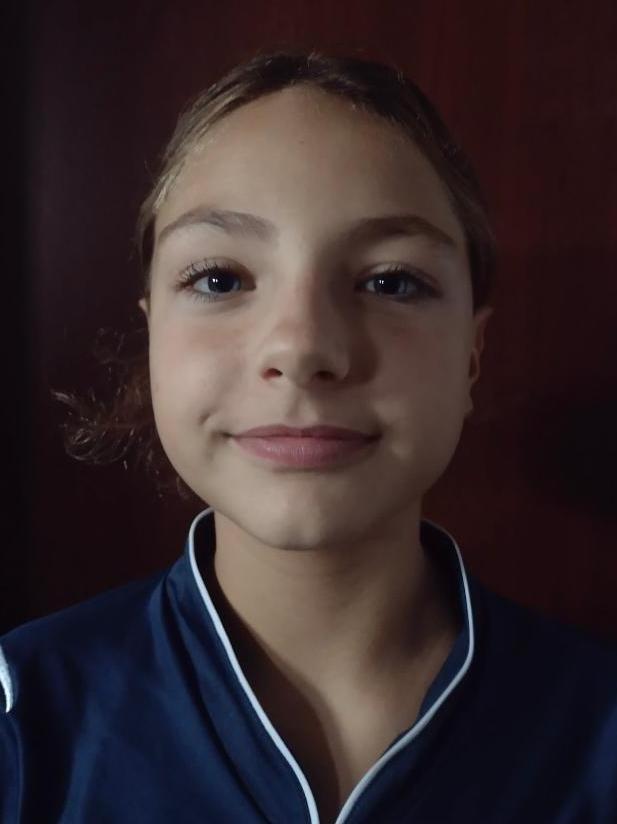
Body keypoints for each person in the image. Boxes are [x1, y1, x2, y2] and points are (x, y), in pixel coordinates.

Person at [1, 48, 616, 824]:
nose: (301, 347)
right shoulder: (24, 716)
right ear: (153, 332)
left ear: (471, 353)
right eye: (220, 279)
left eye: (390, 281)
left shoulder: (599, 729)